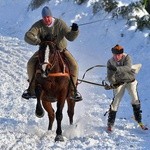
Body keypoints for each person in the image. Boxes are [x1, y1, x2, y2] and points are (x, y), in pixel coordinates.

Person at [22, 6, 82, 102]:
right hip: (45, 50)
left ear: (51, 16)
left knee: (74, 65)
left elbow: (70, 37)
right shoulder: (38, 25)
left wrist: (74, 31)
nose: (46, 19)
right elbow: (27, 36)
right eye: (44, 17)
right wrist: (37, 41)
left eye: (48, 17)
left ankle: (73, 91)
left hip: (61, 50)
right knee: (30, 63)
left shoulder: (60, 24)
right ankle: (31, 89)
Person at [105, 44, 148, 131]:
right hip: (119, 82)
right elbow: (110, 76)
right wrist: (112, 84)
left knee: (135, 98)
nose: (117, 57)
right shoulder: (110, 62)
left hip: (130, 81)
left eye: (118, 55)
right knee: (115, 101)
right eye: (115, 55)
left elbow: (127, 68)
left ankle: (138, 120)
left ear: (122, 54)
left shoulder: (127, 57)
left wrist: (116, 69)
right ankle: (110, 123)